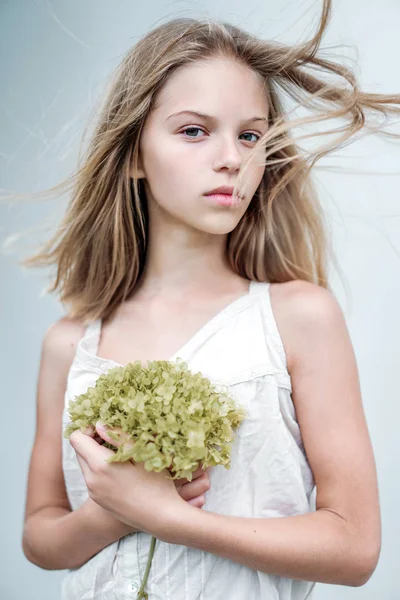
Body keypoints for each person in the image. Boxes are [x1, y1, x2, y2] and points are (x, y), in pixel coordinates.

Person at [20, 0, 398, 597]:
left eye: (250, 134)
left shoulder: (299, 318)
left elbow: (354, 549)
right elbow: (40, 537)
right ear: (133, 155)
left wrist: (170, 518)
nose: (232, 158)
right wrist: (112, 512)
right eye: (194, 130)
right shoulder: (71, 344)